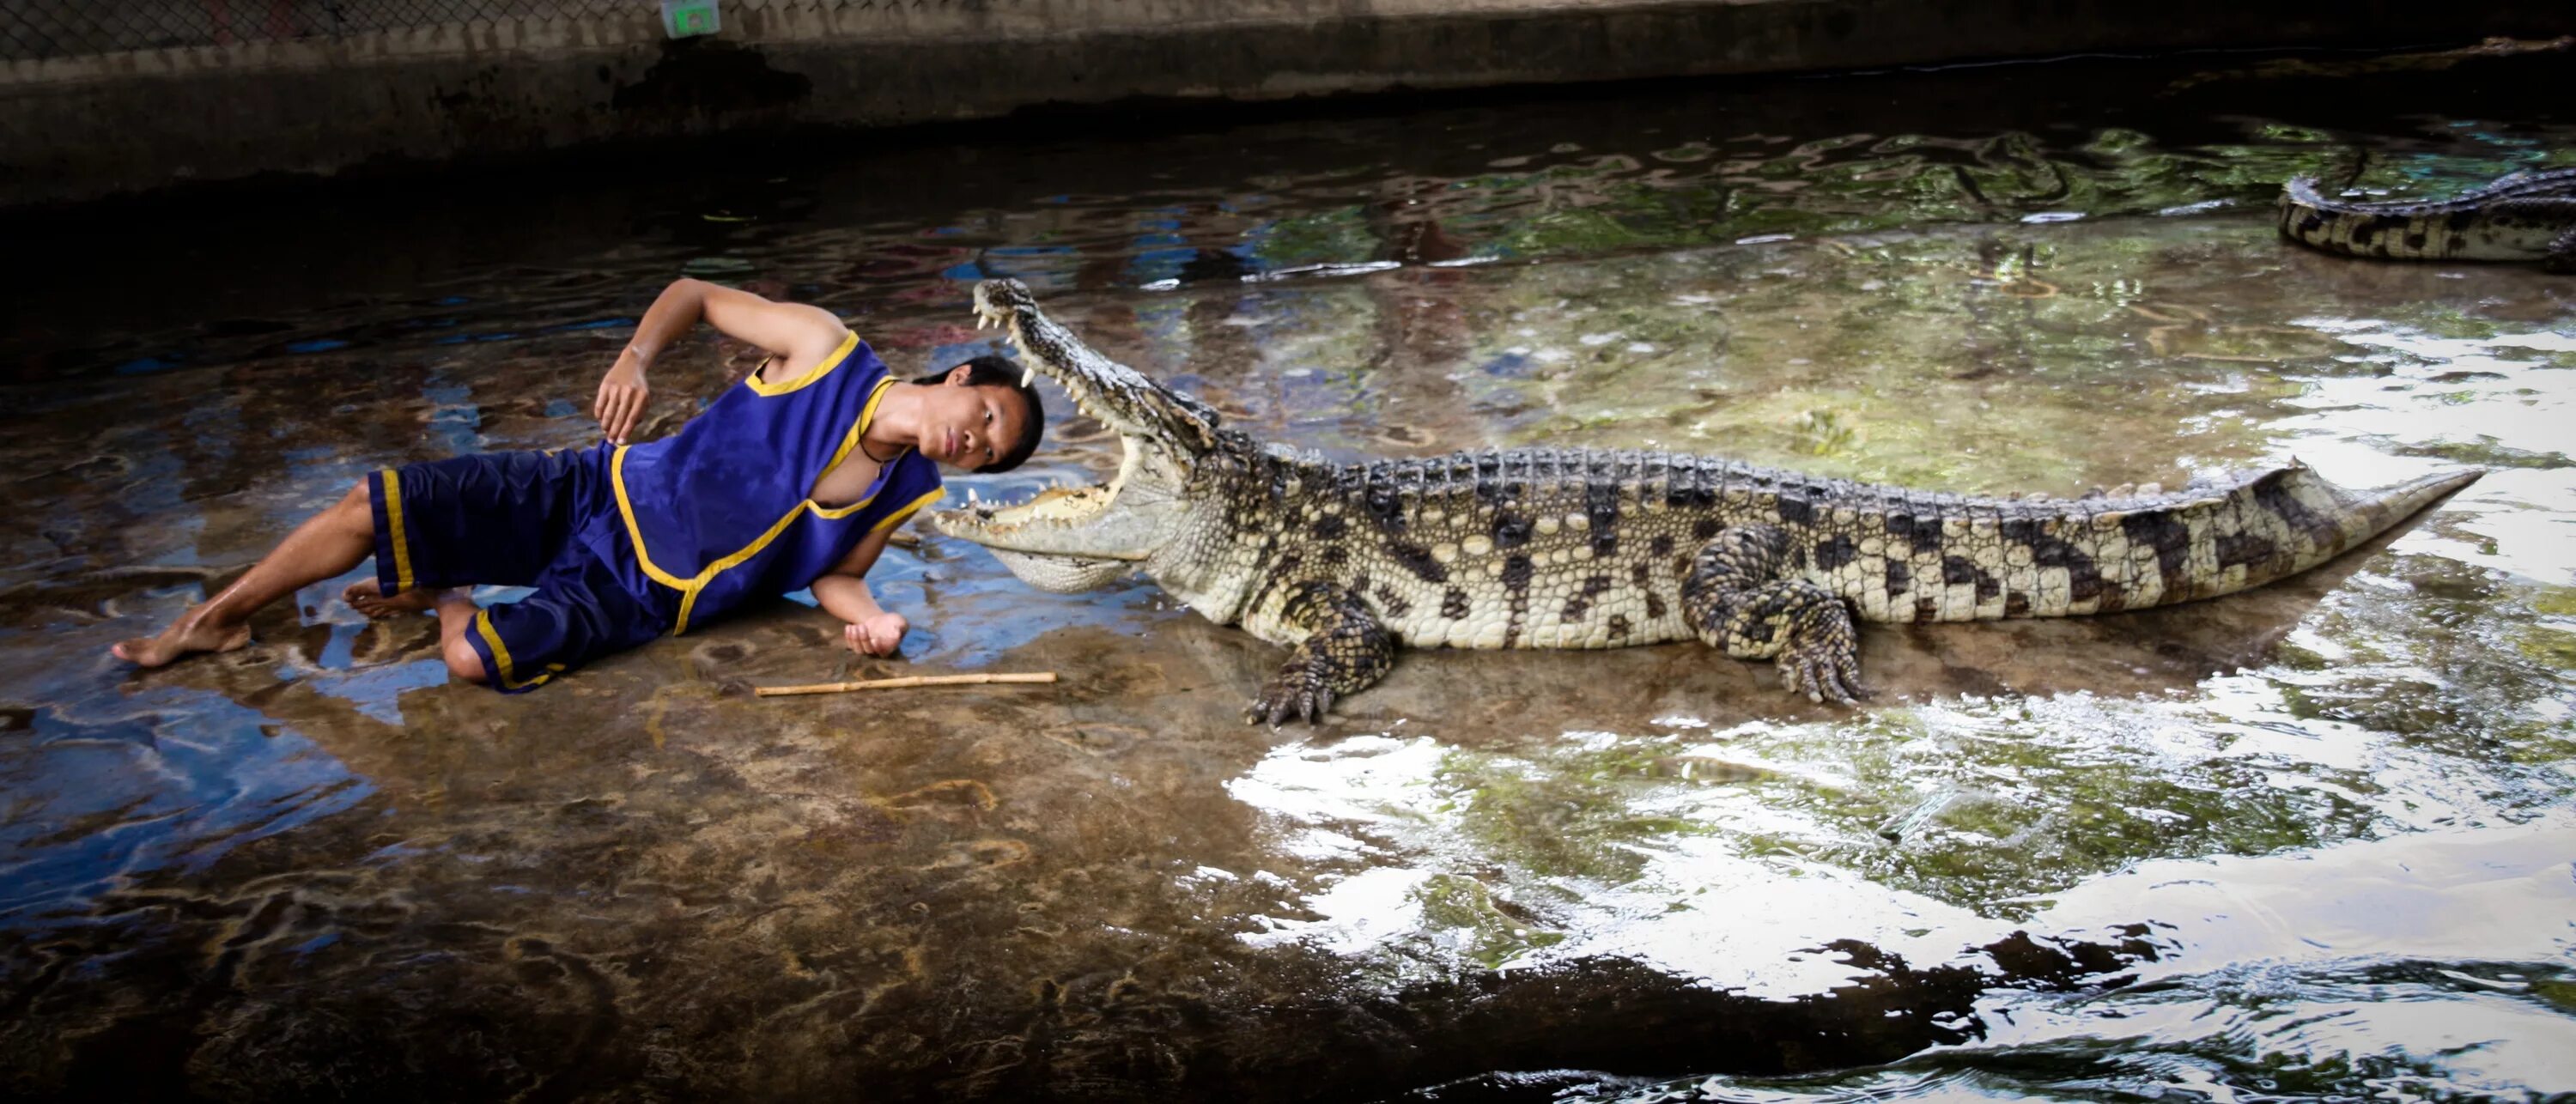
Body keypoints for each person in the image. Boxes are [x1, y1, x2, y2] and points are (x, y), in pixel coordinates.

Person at [112, 278, 1043, 690]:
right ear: (963, 378)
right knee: (373, 502)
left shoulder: (905, 488)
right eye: (992, 419)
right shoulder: (825, 349)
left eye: (993, 457)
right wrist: (638, 357)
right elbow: (693, 290)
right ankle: (212, 620)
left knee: (472, 661)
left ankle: (448, 588)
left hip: (647, 592)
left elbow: (833, 569)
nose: (978, 445)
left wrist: (865, 616)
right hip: (597, 487)